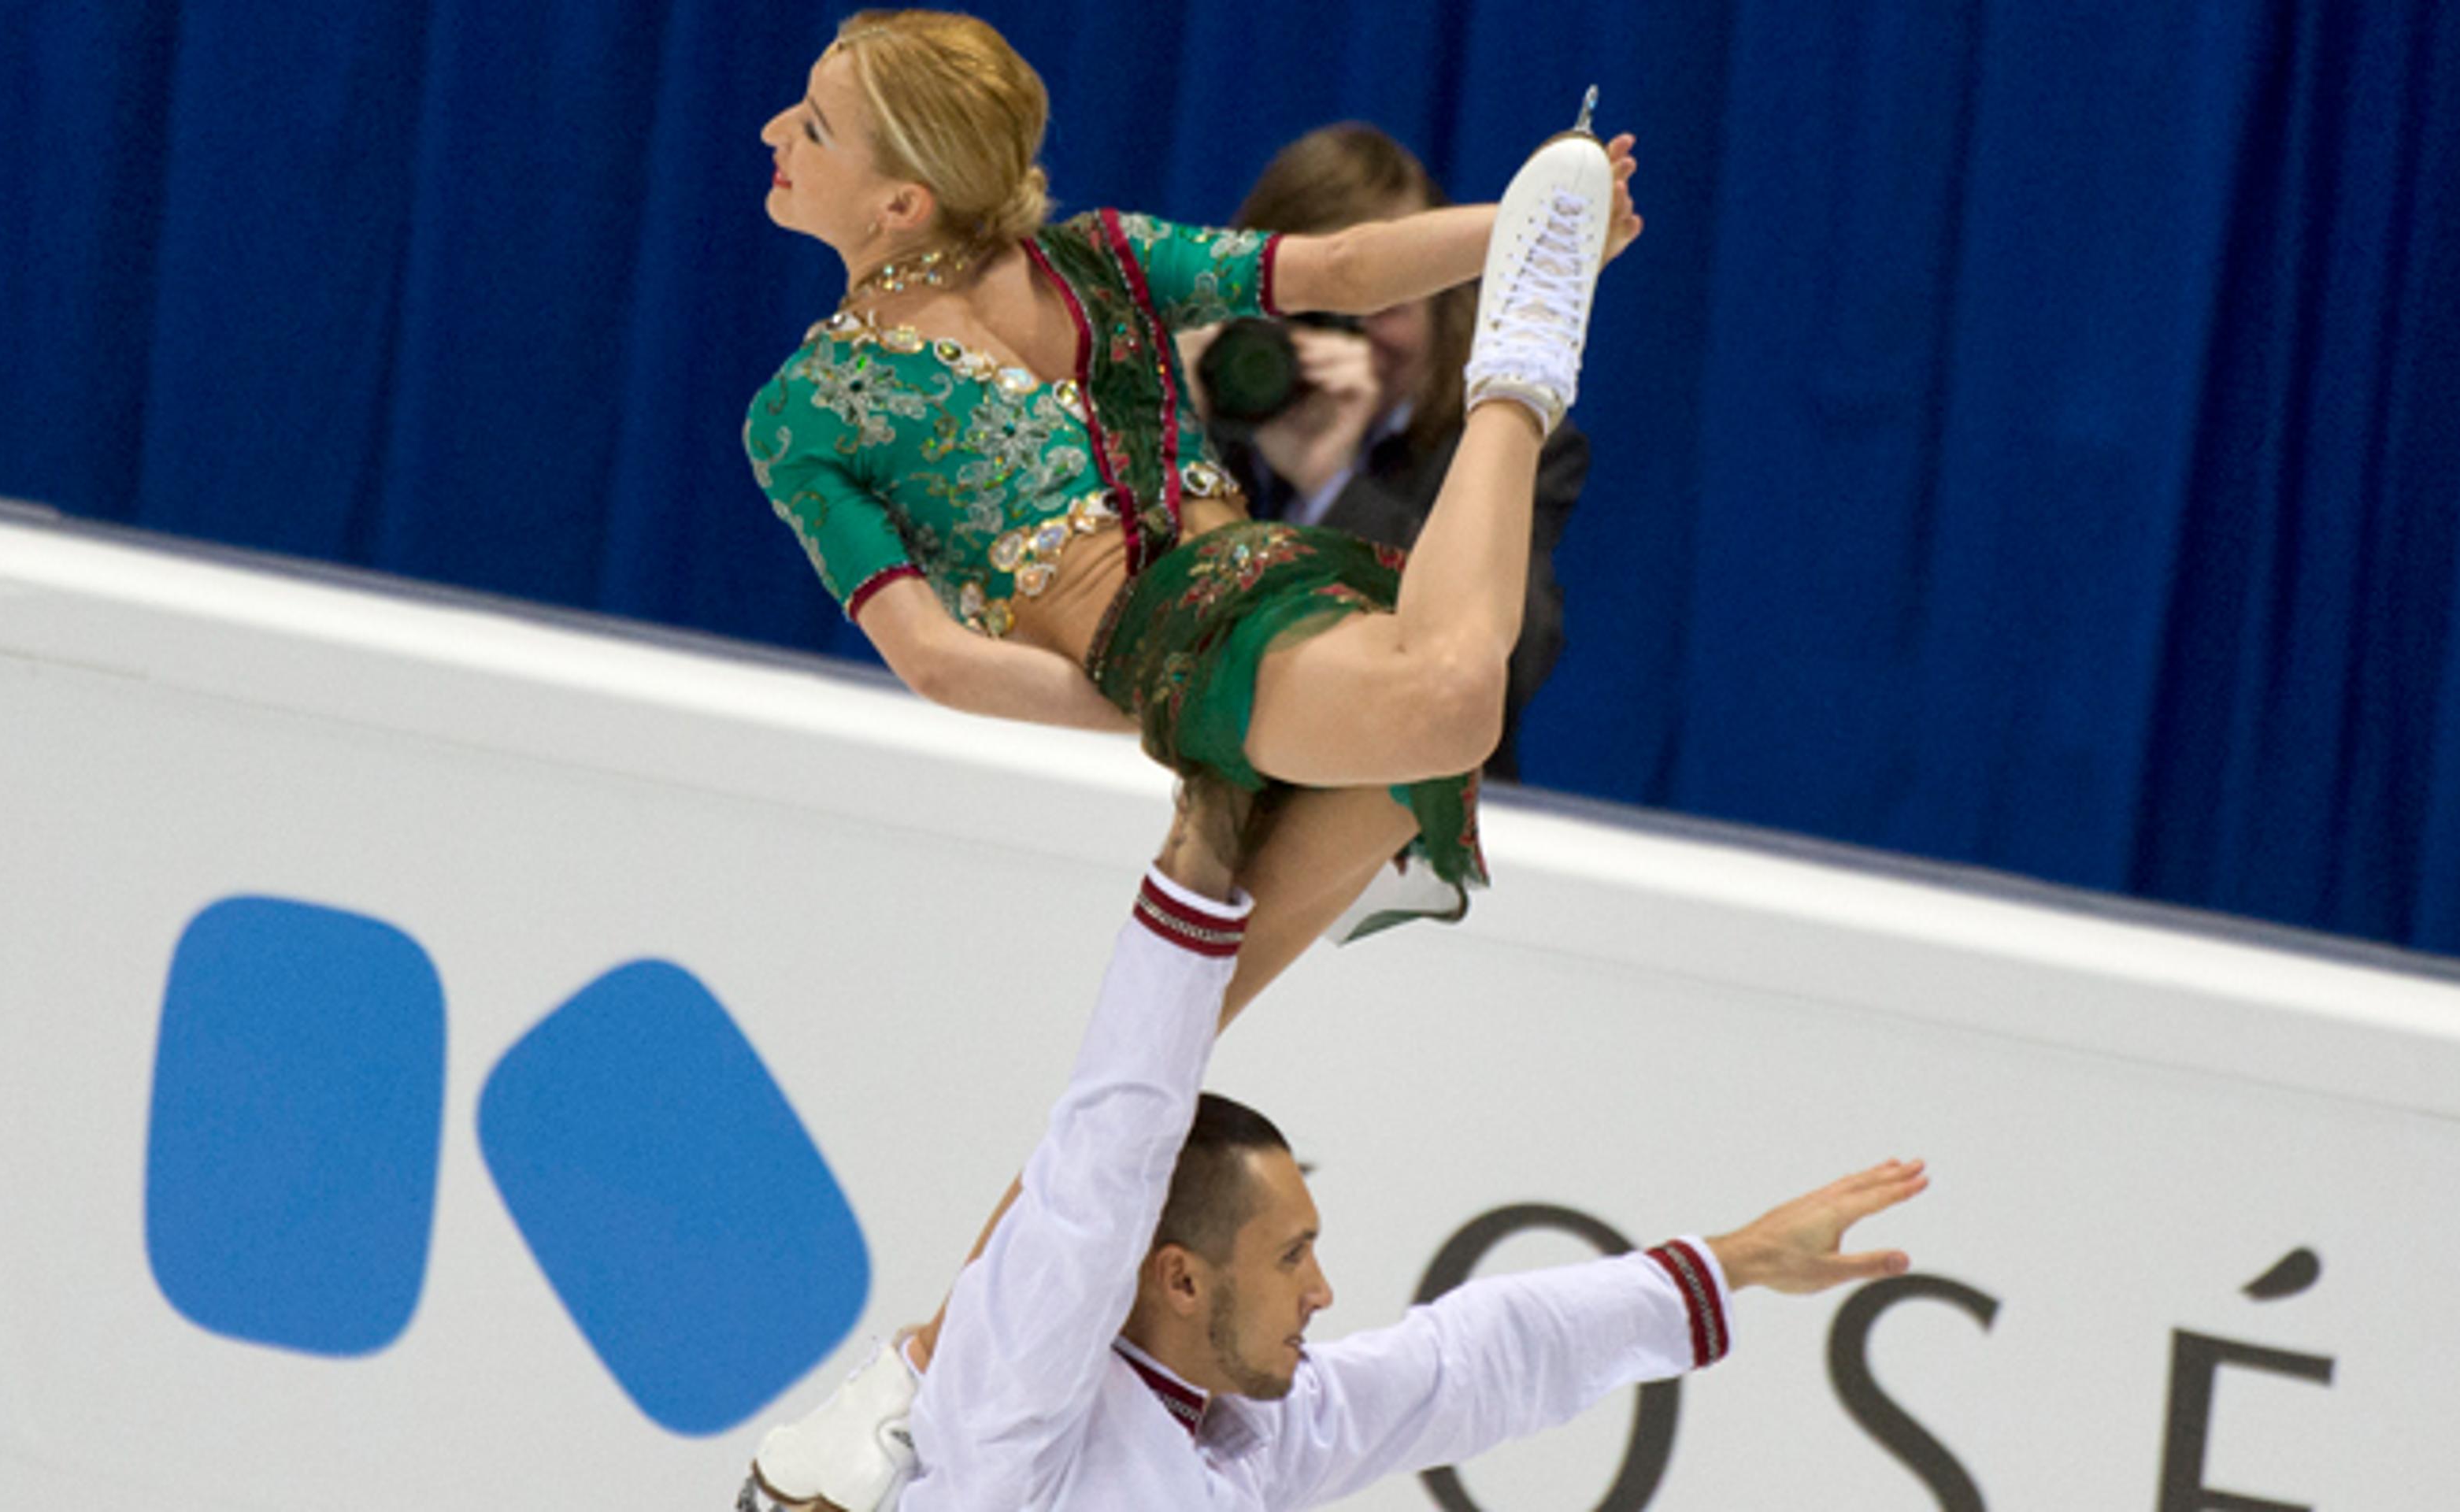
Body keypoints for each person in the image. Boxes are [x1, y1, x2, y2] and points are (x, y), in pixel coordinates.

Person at [747, 9, 1639, 1013]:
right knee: (1170, 1029)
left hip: (1256, 613)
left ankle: (1523, 349)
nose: (777, 130)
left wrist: (1535, 220)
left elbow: (1339, 268)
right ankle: (1526, 346)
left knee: (1449, 706)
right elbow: (938, 661)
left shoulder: (1082, 266)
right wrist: (1164, 712)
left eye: (814, 126)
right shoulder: (815, 409)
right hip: (1209, 661)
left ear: (903, 201)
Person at [743, 800, 1931, 1510]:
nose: (1322, 1291)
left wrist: (1734, 1263)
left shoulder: (1256, 1431)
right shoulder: (1023, 1410)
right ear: (1180, 1277)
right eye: (1292, 1255)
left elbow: (1476, 1361)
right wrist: (1200, 850)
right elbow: (1110, 1148)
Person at [1189, 124, 1584, 781]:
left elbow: (1504, 674)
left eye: (1386, 305)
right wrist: (1166, 429)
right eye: (1315, 308)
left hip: (1404, 819)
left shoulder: (1502, 442)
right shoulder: (1202, 423)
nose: (1352, 340)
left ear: (1441, 300)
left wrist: (1329, 484)